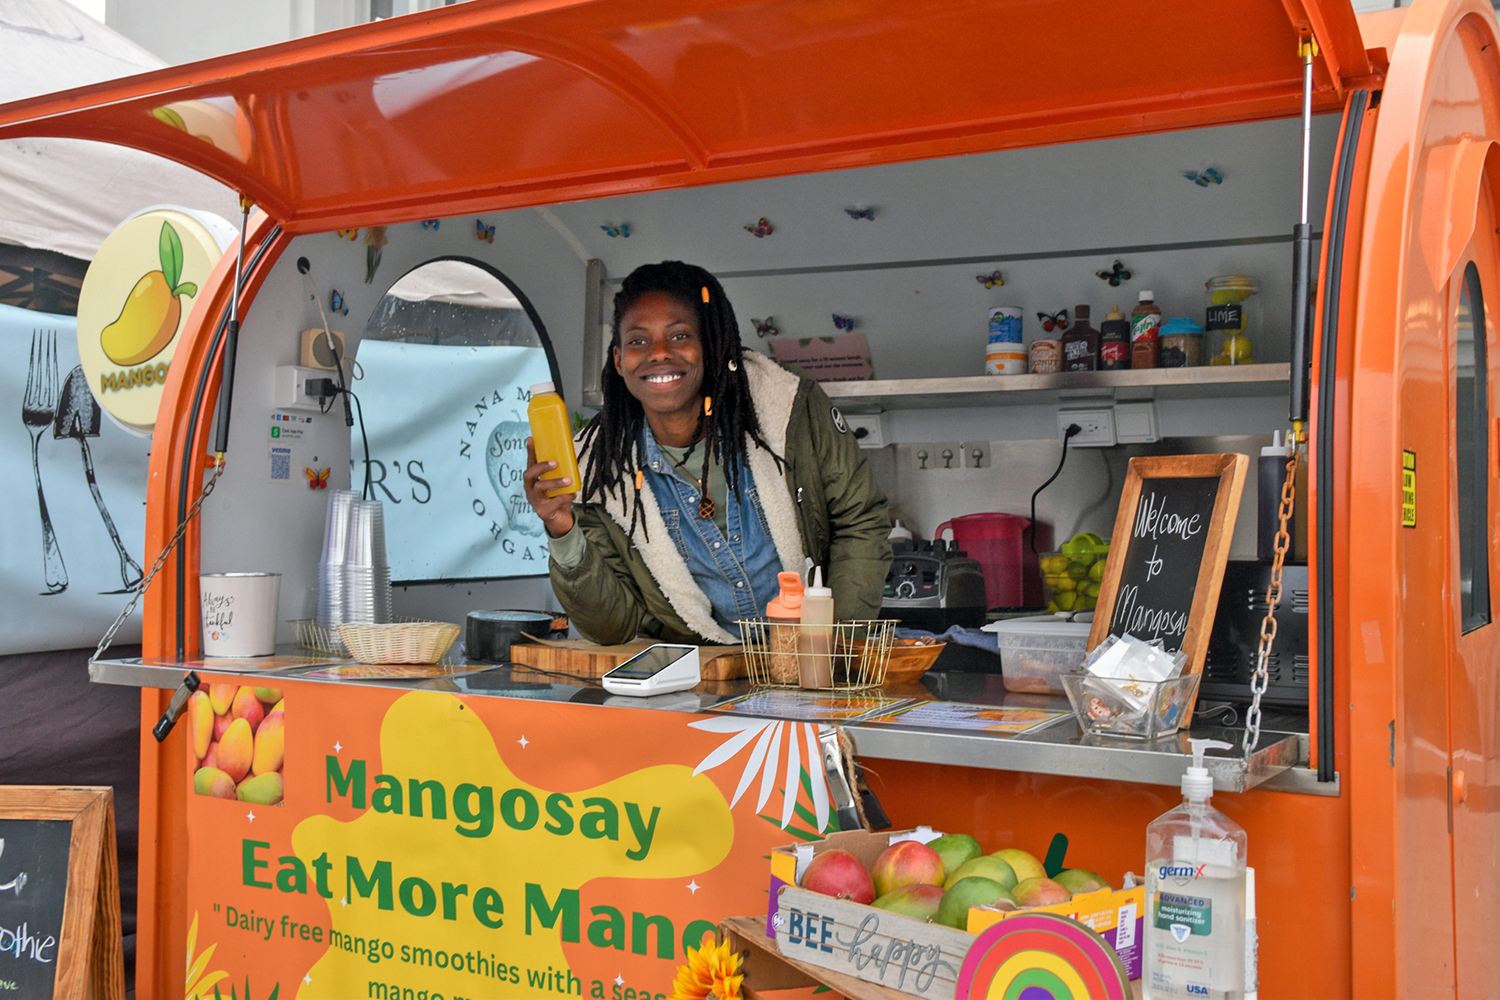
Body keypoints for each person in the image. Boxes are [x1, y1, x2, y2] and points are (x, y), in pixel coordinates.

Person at [523, 260, 892, 645]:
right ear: (618, 360)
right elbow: (611, 626)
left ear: (710, 346)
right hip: (704, 677)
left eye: (680, 336)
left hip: (817, 660)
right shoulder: (597, 470)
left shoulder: (790, 409)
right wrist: (562, 529)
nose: (658, 353)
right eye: (637, 341)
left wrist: (832, 646)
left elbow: (860, 521)